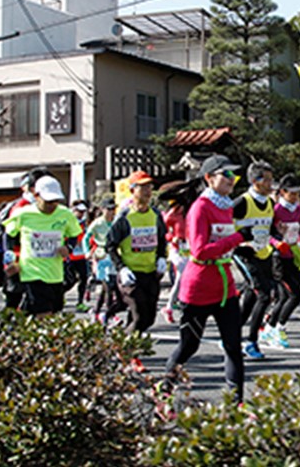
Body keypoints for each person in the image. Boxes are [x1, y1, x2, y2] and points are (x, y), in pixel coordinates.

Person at [164, 154, 249, 405]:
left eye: (235, 175)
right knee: (189, 346)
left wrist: (243, 245)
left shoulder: (226, 206)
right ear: (209, 178)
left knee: (234, 346)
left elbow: (225, 243)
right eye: (227, 175)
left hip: (225, 287)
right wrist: (237, 239)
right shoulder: (200, 208)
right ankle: (163, 391)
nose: (233, 180)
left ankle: (237, 403)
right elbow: (200, 250)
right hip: (199, 287)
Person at [2, 175, 82, 316]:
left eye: (55, 201)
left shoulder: (65, 214)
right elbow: (8, 235)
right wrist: (10, 260)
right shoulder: (23, 214)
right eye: (48, 201)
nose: (52, 205)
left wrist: (68, 248)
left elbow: (74, 234)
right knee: (44, 314)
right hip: (31, 272)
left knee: (54, 312)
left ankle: (15, 328)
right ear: (36, 195)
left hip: (55, 273)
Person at [106, 170, 168, 341]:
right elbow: (110, 245)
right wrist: (121, 268)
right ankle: (128, 353)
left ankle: (122, 339)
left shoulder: (155, 215)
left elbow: (161, 238)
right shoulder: (125, 217)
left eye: (150, 186)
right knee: (139, 314)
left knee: (149, 318)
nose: (148, 191)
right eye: (143, 187)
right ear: (132, 190)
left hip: (151, 273)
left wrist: (162, 257)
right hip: (131, 276)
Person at [233, 161, 277, 361]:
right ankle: (251, 342)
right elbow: (223, 226)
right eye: (266, 180)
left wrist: (280, 233)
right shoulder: (242, 202)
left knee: (251, 296)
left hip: (264, 254)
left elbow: (268, 228)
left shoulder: (269, 203)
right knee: (264, 295)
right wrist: (239, 245)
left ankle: (231, 335)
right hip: (245, 254)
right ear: (254, 181)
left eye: (271, 179)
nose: (270, 184)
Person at [0, 167, 51, 312]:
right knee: (16, 300)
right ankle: (2, 329)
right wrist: (11, 261)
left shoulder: (41, 207)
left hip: (36, 262)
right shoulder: (21, 207)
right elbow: (9, 235)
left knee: (32, 301)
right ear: (32, 188)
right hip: (20, 261)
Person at [264, 173, 300, 348]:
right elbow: (265, 233)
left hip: (293, 256)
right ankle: (279, 327)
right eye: (292, 193)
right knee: (295, 295)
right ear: (282, 192)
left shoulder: (298, 209)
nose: (296, 197)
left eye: (298, 193)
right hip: (278, 258)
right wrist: (277, 243)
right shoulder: (275, 210)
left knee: (284, 297)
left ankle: (269, 329)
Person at [85, 197, 124, 326]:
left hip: (114, 255)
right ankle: (110, 315)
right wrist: (87, 252)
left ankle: (96, 311)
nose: (111, 212)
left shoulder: (117, 222)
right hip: (101, 256)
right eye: (109, 209)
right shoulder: (97, 223)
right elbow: (86, 237)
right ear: (102, 210)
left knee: (107, 287)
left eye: (113, 209)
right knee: (109, 286)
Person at [66, 201, 91, 312]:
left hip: (81, 256)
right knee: (69, 281)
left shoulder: (84, 223)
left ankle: (80, 302)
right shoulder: (67, 222)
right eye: (79, 211)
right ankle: (60, 296)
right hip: (69, 257)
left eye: (83, 212)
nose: (81, 214)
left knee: (83, 278)